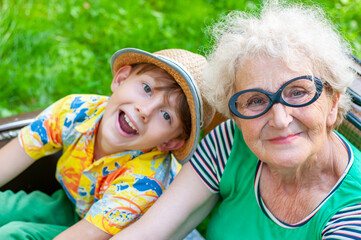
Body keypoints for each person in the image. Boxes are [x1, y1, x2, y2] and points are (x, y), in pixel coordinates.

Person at [112, 2, 361, 240]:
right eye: (255, 100)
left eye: (298, 92)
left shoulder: (353, 214)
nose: (280, 120)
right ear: (236, 116)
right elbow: (149, 232)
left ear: (333, 103)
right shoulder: (232, 141)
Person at [0, 48, 216, 239]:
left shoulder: (146, 181)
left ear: (170, 142)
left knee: (15, 234)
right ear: (121, 79)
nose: (145, 110)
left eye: (166, 115)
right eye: (147, 89)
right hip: (76, 206)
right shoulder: (75, 112)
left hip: (115, 233)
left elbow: (89, 234)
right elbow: (8, 159)